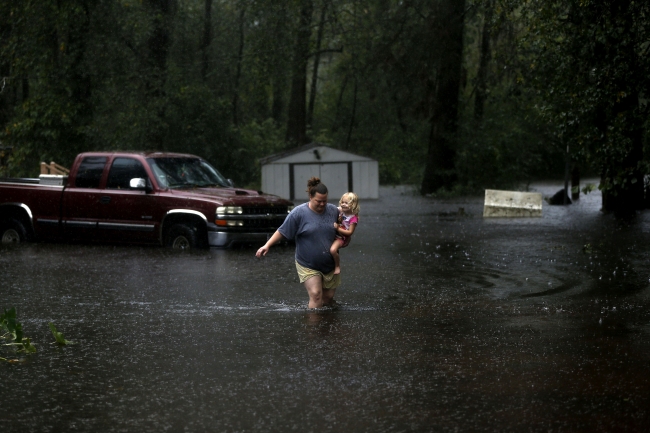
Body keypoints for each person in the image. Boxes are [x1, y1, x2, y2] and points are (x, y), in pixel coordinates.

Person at [256, 177, 340, 309]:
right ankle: (314, 328)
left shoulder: (334, 211)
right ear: (310, 197)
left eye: (325, 201)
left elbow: (348, 220)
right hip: (307, 263)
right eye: (319, 201)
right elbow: (282, 231)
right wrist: (267, 245)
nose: (322, 204)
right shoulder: (299, 213)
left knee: (328, 298)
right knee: (316, 295)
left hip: (330, 264)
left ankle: (328, 325)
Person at [330, 192, 360, 275]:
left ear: (353, 205)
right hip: (335, 233)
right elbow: (331, 208)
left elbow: (350, 232)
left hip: (341, 237)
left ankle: (337, 266)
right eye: (342, 202)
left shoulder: (353, 218)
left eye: (346, 203)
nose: (343, 205)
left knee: (332, 250)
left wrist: (338, 228)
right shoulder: (341, 210)